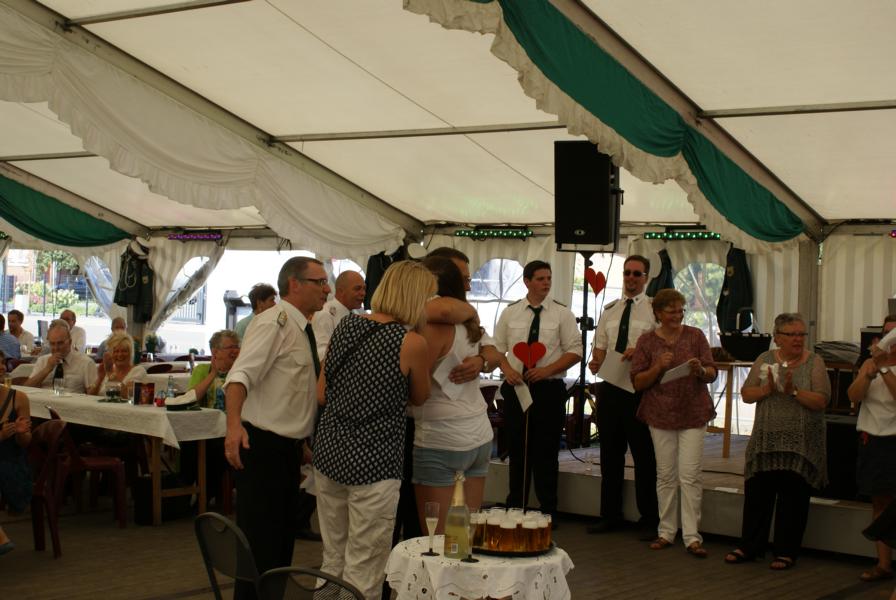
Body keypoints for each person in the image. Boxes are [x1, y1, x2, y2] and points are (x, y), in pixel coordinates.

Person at [313, 260, 433, 600]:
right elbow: (420, 397)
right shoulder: (411, 343)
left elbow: (321, 393)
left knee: (332, 557)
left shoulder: (346, 325)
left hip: (330, 452)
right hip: (375, 461)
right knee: (365, 566)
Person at [223, 257, 328, 600]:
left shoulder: (302, 327)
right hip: (263, 448)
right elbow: (239, 377)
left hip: (286, 449)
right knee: (260, 549)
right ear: (294, 284)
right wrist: (233, 426)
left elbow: (291, 392)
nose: (326, 289)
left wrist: (303, 440)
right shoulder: (274, 322)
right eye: (319, 282)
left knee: (280, 547)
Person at [724, 312, 829, 570]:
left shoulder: (814, 362)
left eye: (801, 334)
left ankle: (786, 551)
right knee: (758, 495)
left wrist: (793, 391)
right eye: (791, 334)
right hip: (766, 442)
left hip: (800, 445)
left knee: (793, 499)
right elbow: (746, 394)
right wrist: (766, 390)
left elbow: (821, 400)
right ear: (777, 337)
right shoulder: (764, 359)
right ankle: (750, 546)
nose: (798, 339)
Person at [413, 256, 501, 532]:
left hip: (441, 435)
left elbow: (416, 388)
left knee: (437, 536)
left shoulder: (435, 323)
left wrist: (482, 361)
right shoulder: (467, 320)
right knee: (465, 531)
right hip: (478, 433)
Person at [630, 288, 716, 558]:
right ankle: (666, 532)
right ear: (658, 313)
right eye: (671, 311)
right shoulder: (646, 341)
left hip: (693, 412)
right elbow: (638, 382)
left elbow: (712, 372)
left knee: (690, 475)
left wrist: (700, 370)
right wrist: (658, 366)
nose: (678, 315)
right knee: (666, 475)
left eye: (681, 310)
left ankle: (692, 537)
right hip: (660, 413)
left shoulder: (695, 335)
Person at [494, 260, 581, 522]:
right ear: (527, 281)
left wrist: (547, 370)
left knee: (546, 450)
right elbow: (497, 350)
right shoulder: (511, 312)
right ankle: (515, 506)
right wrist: (507, 369)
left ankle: (548, 510)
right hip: (517, 387)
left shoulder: (562, 313)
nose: (546, 283)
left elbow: (575, 350)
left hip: (548, 389)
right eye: (540, 278)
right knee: (517, 448)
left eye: (549, 278)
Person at [587, 255, 659, 536]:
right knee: (610, 454)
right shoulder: (611, 310)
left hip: (640, 387)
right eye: (627, 273)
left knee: (644, 455)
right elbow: (600, 345)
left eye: (636, 274)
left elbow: (664, 346)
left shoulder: (653, 309)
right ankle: (610, 514)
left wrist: (640, 352)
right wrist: (596, 362)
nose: (631, 278)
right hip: (611, 386)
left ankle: (649, 518)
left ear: (646, 278)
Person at [848, 314, 896, 582]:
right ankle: (883, 563)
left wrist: (885, 369)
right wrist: (868, 374)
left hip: (895, 438)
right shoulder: (868, 363)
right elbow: (853, 397)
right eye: (887, 333)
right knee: (879, 501)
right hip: (873, 440)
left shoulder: (887, 367)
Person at [182, 330, 240, 507]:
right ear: (215, 352)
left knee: (213, 448)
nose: (235, 351)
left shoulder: (240, 372)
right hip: (206, 429)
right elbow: (191, 398)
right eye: (230, 347)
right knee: (188, 442)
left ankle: (205, 496)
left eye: (237, 347)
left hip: (230, 430)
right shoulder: (202, 370)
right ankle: (187, 492)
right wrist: (213, 374)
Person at [0, 354, 32, 556]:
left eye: (2, 363)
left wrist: (21, 433)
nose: (1, 367)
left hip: (11, 464)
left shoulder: (18, 398)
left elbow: (26, 443)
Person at [25, 319, 97, 392]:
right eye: (52, 344)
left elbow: (92, 395)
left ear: (70, 342)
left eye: (60, 343)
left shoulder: (85, 363)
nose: (56, 348)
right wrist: (47, 369)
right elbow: (27, 388)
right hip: (43, 398)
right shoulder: (43, 361)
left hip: (72, 398)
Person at [312, 271, 366, 359]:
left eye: (364, 289)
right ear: (341, 291)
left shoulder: (355, 314)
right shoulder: (326, 314)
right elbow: (321, 353)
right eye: (357, 289)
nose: (363, 293)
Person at [87, 331, 146, 399]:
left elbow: (127, 395)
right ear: (111, 354)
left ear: (131, 353)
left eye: (124, 351)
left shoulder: (138, 371)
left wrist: (111, 374)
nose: (120, 354)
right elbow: (89, 396)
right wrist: (100, 379)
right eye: (116, 351)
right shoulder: (106, 369)